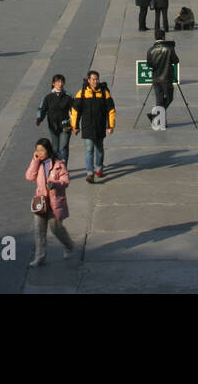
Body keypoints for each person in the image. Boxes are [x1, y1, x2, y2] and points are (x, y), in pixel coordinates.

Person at [25, 138, 73, 266]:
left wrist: (55, 184)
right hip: (41, 201)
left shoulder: (58, 164)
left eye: (42, 150)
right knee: (39, 230)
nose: (39, 153)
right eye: (37, 150)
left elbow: (66, 181)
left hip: (55, 202)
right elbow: (29, 176)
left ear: (48, 150)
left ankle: (69, 245)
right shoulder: (37, 163)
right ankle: (40, 257)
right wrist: (35, 161)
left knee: (56, 228)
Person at [70, 71, 115, 184]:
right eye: (93, 79)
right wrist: (74, 126)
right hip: (87, 127)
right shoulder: (82, 93)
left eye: (97, 79)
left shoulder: (104, 92)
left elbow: (111, 110)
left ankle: (99, 168)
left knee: (99, 149)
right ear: (88, 80)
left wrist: (110, 125)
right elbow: (75, 110)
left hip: (99, 126)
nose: (95, 81)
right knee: (89, 150)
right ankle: (90, 173)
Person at [35, 74, 74, 165]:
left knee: (63, 147)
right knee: (55, 148)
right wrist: (39, 118)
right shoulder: (48, 97)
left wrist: (75, 125)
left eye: (61, 82)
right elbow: (42, 108)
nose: (60, 84)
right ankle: (56, 167)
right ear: (53, 84)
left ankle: (63, 168)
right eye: (58, 82)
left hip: (65, 125)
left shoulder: (68, 96)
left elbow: (74, 111)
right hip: (53, 126)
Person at [146, 28, 179, 127]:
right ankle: (157, 116)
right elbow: (176, 61)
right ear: (164, 37)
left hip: (155, 78)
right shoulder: (169, 49)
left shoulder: (151, 50)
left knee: (159, 100)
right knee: (169, 98)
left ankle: (160, 121)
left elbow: (149, 64)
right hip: (166, 78)